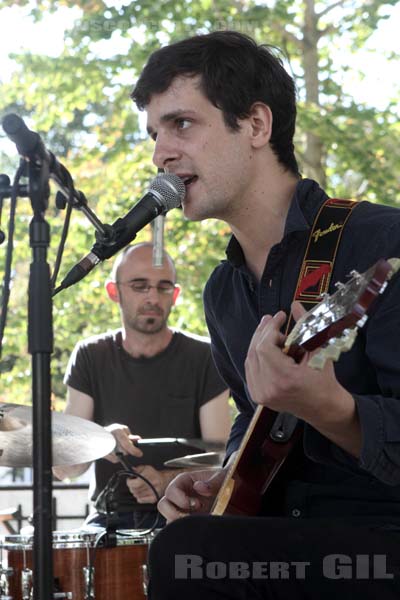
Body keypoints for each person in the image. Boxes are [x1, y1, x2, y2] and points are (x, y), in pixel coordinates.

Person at [129, 30, 400, 598]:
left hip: (380, 545)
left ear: (256, 124)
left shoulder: (380, 244)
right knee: (179, 540)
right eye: (154, 134)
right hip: (283, 547)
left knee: (187, 555)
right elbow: (253, 420)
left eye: (181, 124)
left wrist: (335, 411)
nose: (160, 153)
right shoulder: (224, 292)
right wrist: (224, 479)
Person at [53, 243, 231, 530]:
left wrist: (166, 481)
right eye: (139, 285)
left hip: (182, 516)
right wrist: (97, 440)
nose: (152, 296)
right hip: (106, 521)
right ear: (114, 292)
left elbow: (222, 458)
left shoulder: (205, 356)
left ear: (175, 295)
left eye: (163, 287)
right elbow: (64, 469)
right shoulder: (90, 355)